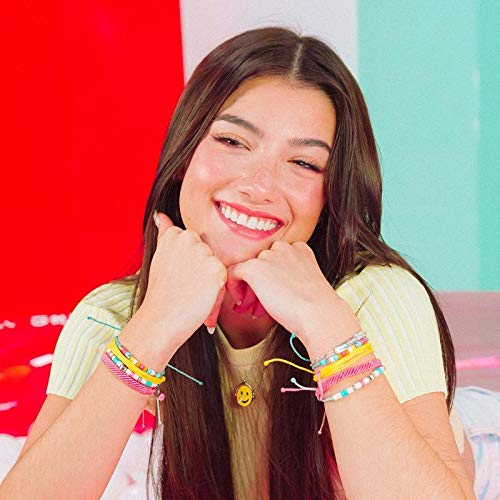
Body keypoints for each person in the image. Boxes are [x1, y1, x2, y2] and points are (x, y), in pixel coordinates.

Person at [0, 26, 476, 499]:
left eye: (304, 164)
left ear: (331, 194)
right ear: (183, 153)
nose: (259, 185)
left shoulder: (374, 297)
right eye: (232, 142)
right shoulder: (115, 314)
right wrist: (155, 325)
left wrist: (326, 325)